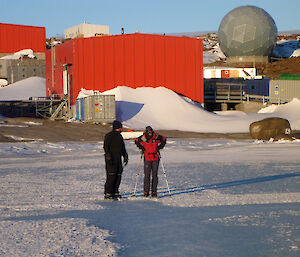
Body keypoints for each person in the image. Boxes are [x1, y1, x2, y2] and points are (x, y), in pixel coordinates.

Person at [135, 126, 166, 198]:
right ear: (146, 132)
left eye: (150, 132)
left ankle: (154, 192)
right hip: (147, 158)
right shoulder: (143, 138)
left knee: (155, 175)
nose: (150, 133)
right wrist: (141, 147)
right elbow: (136, 141)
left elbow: (164, 139)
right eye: (148, 132)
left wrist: (160, 147)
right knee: (147, 175)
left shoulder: (156, 136)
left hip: (155, 158)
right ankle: (146, 192)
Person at [103, 120, 128, 200]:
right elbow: (106, 147)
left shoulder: (120, 136)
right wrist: (108, 155)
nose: (121, 129)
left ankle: (115, 192)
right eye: (120, 127)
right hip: (111, 160)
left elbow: (123, 148)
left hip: (118, 159)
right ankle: (108, 193)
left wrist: (125, 156)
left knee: (118, 176)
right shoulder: (109, 135)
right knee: (111, 176)